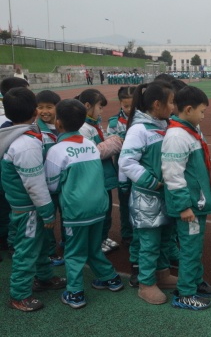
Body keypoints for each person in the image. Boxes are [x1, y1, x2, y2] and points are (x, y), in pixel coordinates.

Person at [45, 99, 124, 309]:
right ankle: (111, 279)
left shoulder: (57, 150)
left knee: (74, 252)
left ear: (58, 122)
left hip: (76, 211)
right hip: (99, 207)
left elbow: (52, 185)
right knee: (93, 248)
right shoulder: (90, 145)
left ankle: (75, 293)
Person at [0, 87, 66, 312]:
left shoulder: (18, 134)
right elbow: (34, 183)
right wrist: (48, 211)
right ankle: (19, 295)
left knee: (38, 245)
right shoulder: (26, 144)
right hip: (29, 208)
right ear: (35, 112)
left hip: (26, 206)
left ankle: (44, 277)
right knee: (27, 250)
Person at [118, 80, 178, 305]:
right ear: (156, 104)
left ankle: (162, 275)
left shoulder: (164, 125)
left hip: (165, 195)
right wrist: (152, 182)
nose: (173, 107)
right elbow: (126, 161)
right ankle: (145, 283)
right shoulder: (139, 129)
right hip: (148, 197)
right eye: (170, 102)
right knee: (149, 242)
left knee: (165, 237)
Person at [161, 86, 211, 310]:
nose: (204, 116)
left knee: (195, 246)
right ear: (188, 109)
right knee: (190, 248)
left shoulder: (190, 130)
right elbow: (172, 174)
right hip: (190, 207)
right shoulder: (177, 136)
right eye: (202, 111)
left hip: (197, 203)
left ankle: (194, 282)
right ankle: (185, 293)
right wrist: (184, 206)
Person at [75, 89, 123, 255]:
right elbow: (91, 152)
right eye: (100, 107)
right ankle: (96, 240)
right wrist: (113, 144)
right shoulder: (82, 127)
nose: (101, 111)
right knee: (100, 211)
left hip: (104, 176)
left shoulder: (93, 125)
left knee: (107, 209)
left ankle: (103, 236)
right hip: (95, 178)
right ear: (87, 106)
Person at [35, 90, 65, 267]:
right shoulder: (37, 130)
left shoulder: (63, 126)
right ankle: (50, 250)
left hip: (63, 184)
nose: (44, 111)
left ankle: (66, 242)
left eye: (49, 107)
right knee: (47, 220)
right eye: (40, 107)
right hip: (46, 186)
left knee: (66, 215)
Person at [107, 86, 136, 248]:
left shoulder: (144, 118)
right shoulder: (114, 122)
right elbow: (112, 142)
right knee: (125, 200)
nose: (130, 109)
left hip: (141, 164)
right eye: (126, 106)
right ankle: (127, 233)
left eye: (133, 105)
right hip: (123, 166)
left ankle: (140, 230)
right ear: (120, 104)